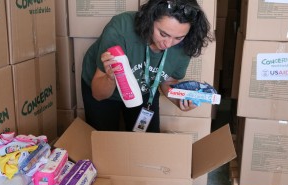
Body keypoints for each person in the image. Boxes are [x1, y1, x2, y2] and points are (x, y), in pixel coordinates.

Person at [81, 0, 213, 132]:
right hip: (105, 86)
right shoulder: (120, 29)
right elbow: (98, 94)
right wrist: (110, 78)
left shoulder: (187, 43)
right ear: (149, 19)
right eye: (163, 34)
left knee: (146, 141)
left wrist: (179, 100)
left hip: (144, 88)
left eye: (178, 38)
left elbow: (168, 80)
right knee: (104, 142)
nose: (168, 44)